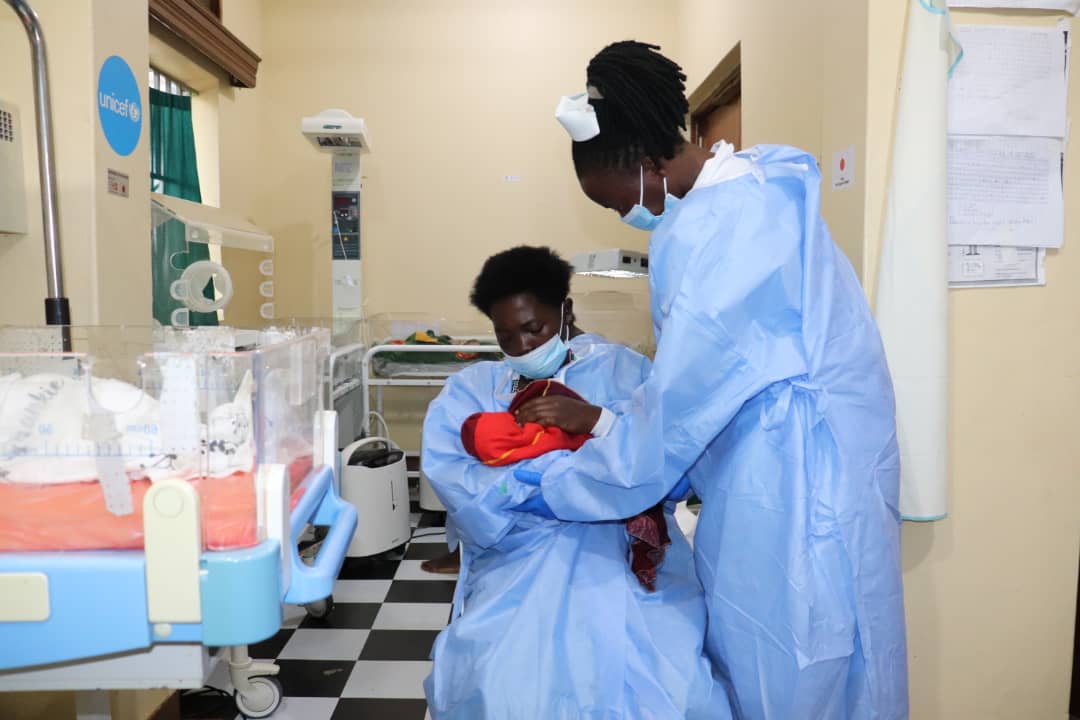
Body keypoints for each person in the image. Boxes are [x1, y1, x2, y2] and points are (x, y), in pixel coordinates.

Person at [514, 41, 908, 719]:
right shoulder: (755, 187)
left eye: (616, 206)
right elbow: (701, 385)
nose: (625, 219)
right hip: (809, 466)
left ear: (645, 165)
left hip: (797, 492)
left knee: (794, 671)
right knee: (830, 672)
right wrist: (608, 422)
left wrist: (558, 486)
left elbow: (680, 414)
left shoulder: (727, 234)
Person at [421, 246, 730, 720]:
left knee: (672, 684)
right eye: (506, 336)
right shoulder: (473, 390)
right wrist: (573, 475)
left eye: (534, 329)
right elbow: (462, 485)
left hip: (618, 550)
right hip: (520, 555)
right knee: (501, 679)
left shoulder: (627, 373)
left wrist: (598, 421)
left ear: (565, 311)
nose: (522, 347)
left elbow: (667, 471)